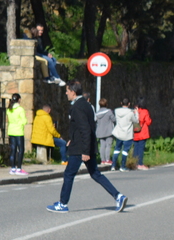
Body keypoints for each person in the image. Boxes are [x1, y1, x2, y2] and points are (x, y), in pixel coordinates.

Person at [45, 81, 127, 214]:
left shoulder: (77, 107)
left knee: (69, 174)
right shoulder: (86, 105)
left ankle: (63, 203)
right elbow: (83, 127)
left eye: (67, 90)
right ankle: (118, 196)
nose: (66, 93)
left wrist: (85, 151)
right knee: (95, 174)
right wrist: (72, 138)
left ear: (73, 91)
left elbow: (86, 129)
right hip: (83, 144)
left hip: (81, 148)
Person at [111, 98, 136, 171]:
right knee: (125, 151)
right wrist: (136, 113)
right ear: (129, 104)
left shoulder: (116, 111)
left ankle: (113, 165)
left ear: (121, 103)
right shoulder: (131, 113)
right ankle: (123, 166)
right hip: (127, 134)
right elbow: (136, 121)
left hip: (119, 133)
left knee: (116, 149)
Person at [7, 93, 27, 175]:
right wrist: (23, 121)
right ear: (19, 100)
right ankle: (19, 168)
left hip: (11, 131)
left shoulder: (9, 109)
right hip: (19, 132)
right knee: (21, 150)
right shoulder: (20, 109)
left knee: (13, 150)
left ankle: (12, 168)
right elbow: (24, 121)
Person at [132, 98, 152, 169]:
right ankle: (140, 164)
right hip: (142, 133)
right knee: (141, 149)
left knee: (135, 148)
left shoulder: (134, 111)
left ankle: (134, 163)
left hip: (134, 132)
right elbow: (148, 122)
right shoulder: (145, 111)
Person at [94, 97, 115, 166]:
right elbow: (114, 119)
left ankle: (102, 160)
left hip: (100, 131)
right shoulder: (109, 112)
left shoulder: (97, 113)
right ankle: (107, 159)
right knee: (108, 145)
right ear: (106, 104)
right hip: (108, 131)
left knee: (102, 146)